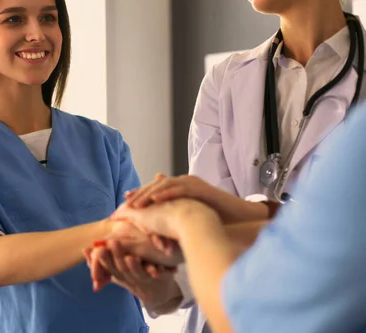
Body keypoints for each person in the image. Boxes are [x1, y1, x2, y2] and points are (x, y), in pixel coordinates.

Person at [94, 1, 366, 332]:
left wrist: (188, 221)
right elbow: (208, 242)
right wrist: (162, 285)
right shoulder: (223, 80)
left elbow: (335, 239)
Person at [0, 0, 160, 332]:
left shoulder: (105, 143)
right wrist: (111, 230)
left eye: (48, 18)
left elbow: (146, 256)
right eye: (14, 19)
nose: (36, 34)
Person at [104, 105, 366, 333]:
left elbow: (246, 317)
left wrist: (189, 219)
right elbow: (320, 232)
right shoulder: (225, 78)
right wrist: (251, 211)